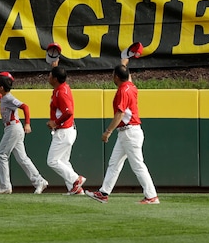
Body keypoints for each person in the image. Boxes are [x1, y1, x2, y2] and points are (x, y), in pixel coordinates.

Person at [85, 61, 160, 204]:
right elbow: (128, 77)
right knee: (114, 163)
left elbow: (119, 113)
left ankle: (151, 196)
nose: (112, 77)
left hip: (129, 132)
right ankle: (103, 193)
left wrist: (108, 132)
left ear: (117, 77)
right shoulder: (130, 86)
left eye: (113, 75)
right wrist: (124, 62)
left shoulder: (123, 90)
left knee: (138, 165)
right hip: (126, 133)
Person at [0, 72, 48, 194]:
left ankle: (5, 186)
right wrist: (1, 81)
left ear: (2, 87)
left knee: (1, 155)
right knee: (22, 158)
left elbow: (25, 107)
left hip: (13, 128)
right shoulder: (4, 97)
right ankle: (39, 181)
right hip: (12, 128)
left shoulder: (9, 98)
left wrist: (27, 123)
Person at [46, 65, 86, 195]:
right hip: (68, 130)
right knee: (63, 161)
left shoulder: (61, 92)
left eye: (51, 75)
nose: (49, 77)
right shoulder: (62, 87)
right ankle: (76, 190)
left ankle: (76, 180)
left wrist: (55, 123)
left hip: (63, 132)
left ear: (55, 78)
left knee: (52, 161)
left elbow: (69, 112)